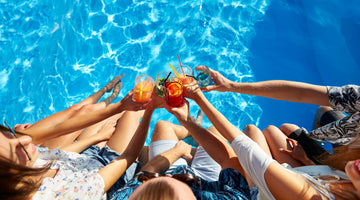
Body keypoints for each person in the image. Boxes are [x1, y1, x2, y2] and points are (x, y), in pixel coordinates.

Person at [183, 79, 360, 199]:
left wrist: (198, 99)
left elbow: (247, 150)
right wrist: (305, 159)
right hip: (306, 176)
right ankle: (192, 136)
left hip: (263, 189)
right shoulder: (350, 181)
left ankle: (191, 137)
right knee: (275, 131)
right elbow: (302, 94)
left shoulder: (311, 196)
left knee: (247, 136)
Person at [0, 87, 164, 200]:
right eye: (18, 147)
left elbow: (60, 150)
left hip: (83, 157)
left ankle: (113, 98)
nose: (27, 138)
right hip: (110, 171)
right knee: (132, 114)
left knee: (115, 114)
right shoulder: (67, 195)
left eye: (12, 135)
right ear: (10, 176)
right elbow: (127, 156)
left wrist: (99, 134)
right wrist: (150, 110)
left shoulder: (28, 166)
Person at [110, 102, 253, 199]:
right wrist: (188, 122)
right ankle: (194, 133)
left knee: (163, 126)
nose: (177, 176)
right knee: (215, 132)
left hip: (171, 169)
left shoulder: (126, 197)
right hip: (210, 181)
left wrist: (177, 151)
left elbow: (147, 172)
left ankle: (192, 134)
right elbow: (229, 162)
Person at [12, 75, 125, 149]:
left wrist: (12, 136)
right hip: (38, 157)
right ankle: (113, 97)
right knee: (86, 110)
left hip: (20, 142)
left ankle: (106, 89)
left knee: (74, 109)